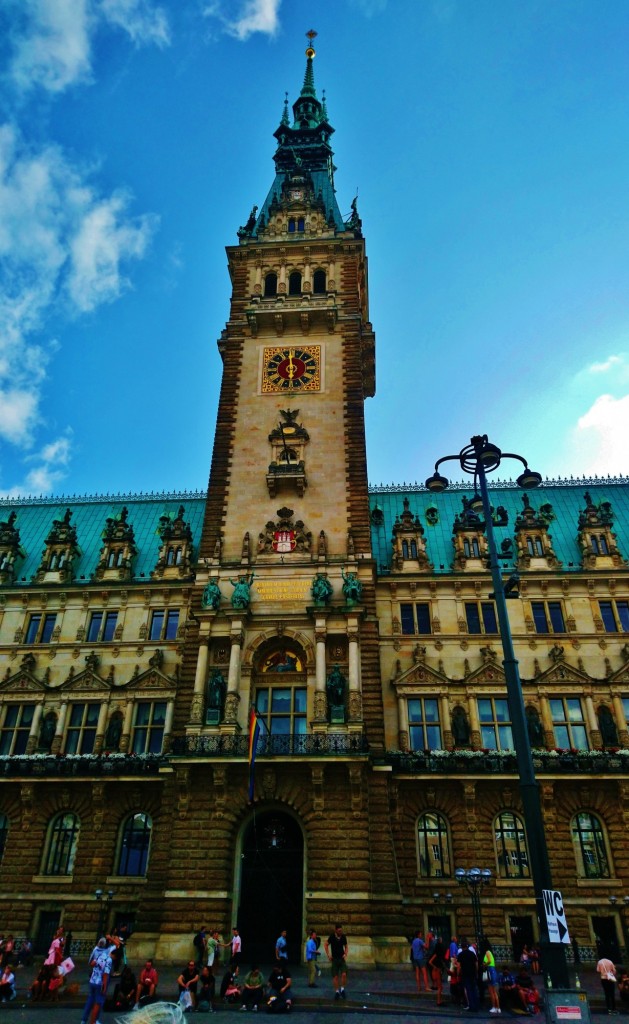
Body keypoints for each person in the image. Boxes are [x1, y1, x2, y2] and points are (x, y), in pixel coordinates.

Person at [80, 937, 112, 1024]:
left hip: (93, 980)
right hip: (100, 982)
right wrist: (104, 987)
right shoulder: (107, 954)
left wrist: (95, 964)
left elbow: (90, 962)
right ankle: (95, 1020)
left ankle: (84, 1020)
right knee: (99, 1002)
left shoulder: (95, 950)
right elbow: (105, 974)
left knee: (90, 1000)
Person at [324, 923, 348, 1001]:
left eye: (341, 930)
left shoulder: (343, 937)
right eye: (339, 931)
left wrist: (345, 953)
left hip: (341, 959)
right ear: (336, 930)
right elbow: (326, 944)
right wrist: (328, 955)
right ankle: (337, 992)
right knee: (335, 977)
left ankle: (342, 989)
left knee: (344, 974)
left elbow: (346, 946)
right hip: (334, 959)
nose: (340, 932)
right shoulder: (332, 937)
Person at [457, 939, 479, 1012]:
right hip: (472, 973)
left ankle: (471, 1006)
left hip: (465, 974)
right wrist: (476, 972)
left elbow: (459, 966)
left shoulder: (460, 955)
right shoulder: (472, 953)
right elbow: (476, 964)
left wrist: (458, 974)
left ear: (462, 947)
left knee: (468, 990)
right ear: (467, 946)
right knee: (474, 990)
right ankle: (476, 1005)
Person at [428, 935, 446, 1005]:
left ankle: (439, 1000)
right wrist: (435, 967)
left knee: (440, 987)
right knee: (440, 987)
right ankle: (439, 1001)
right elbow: (430, 962)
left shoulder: (438, 955)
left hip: (437, 971)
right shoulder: (436, 955)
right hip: (436, 971)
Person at [483, 943, 500, 1014]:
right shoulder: (490, 952)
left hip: (489, 971)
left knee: (491, 992)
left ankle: (494, 1007)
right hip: (493, 971)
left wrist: (484, 964)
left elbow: (489, 961)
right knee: (494, 992)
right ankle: (498, 1008)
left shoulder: (487, 952)